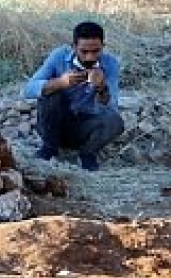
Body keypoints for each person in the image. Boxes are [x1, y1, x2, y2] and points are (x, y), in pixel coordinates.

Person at [23, 21, 124, 171]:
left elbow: (111, 107)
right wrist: (61, 82)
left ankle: (88, 153)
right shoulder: (59, 56)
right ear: (73, 46)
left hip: (83, 126)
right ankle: (50, 147)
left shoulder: (110, 64)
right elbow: (28, 90)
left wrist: (102, 88)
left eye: (96, 51)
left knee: (116, 122)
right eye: (84, 52)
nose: (90, 57)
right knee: (52, 94)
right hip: (54, 123)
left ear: (103, 46)